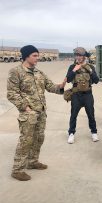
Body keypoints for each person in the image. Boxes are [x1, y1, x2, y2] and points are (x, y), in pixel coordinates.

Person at [7, 45, 66, 181]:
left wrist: (60, 86)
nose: (37, 58)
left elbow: (50, 86)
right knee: (26, 141)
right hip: (28, 114)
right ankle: (17, 170)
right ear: (26, 56)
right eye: (34, 55)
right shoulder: (16, 72)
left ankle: (32, 162)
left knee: (39, 139)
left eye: (38, 55)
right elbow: (11, 93)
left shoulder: (39, 73)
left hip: (41, 113)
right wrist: (25, 108)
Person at [66, 47, 100, 144]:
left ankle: (94, 132)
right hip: (76, 95)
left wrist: (90, 71)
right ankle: (71, 133)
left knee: (91, 115)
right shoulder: (72, 67)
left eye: (80, 55)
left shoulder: (90, 67)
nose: (78, 57)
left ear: (84, 56)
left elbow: (96, 80)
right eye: (77, 55)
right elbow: (68, 79)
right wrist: (74, 71)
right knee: (73, 115)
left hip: (88, 95)